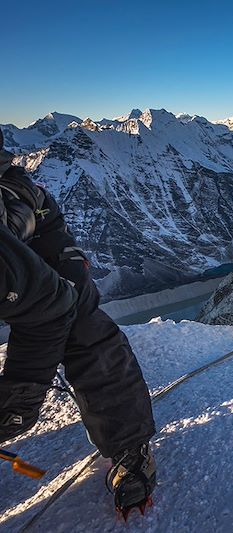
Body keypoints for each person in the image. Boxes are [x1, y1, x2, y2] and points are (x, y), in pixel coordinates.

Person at [0, 130, 156, 517]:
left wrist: (18, 402)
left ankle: (128, 448)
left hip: (36, 262)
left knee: (85, 327)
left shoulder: (14, 203)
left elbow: (50, 307)